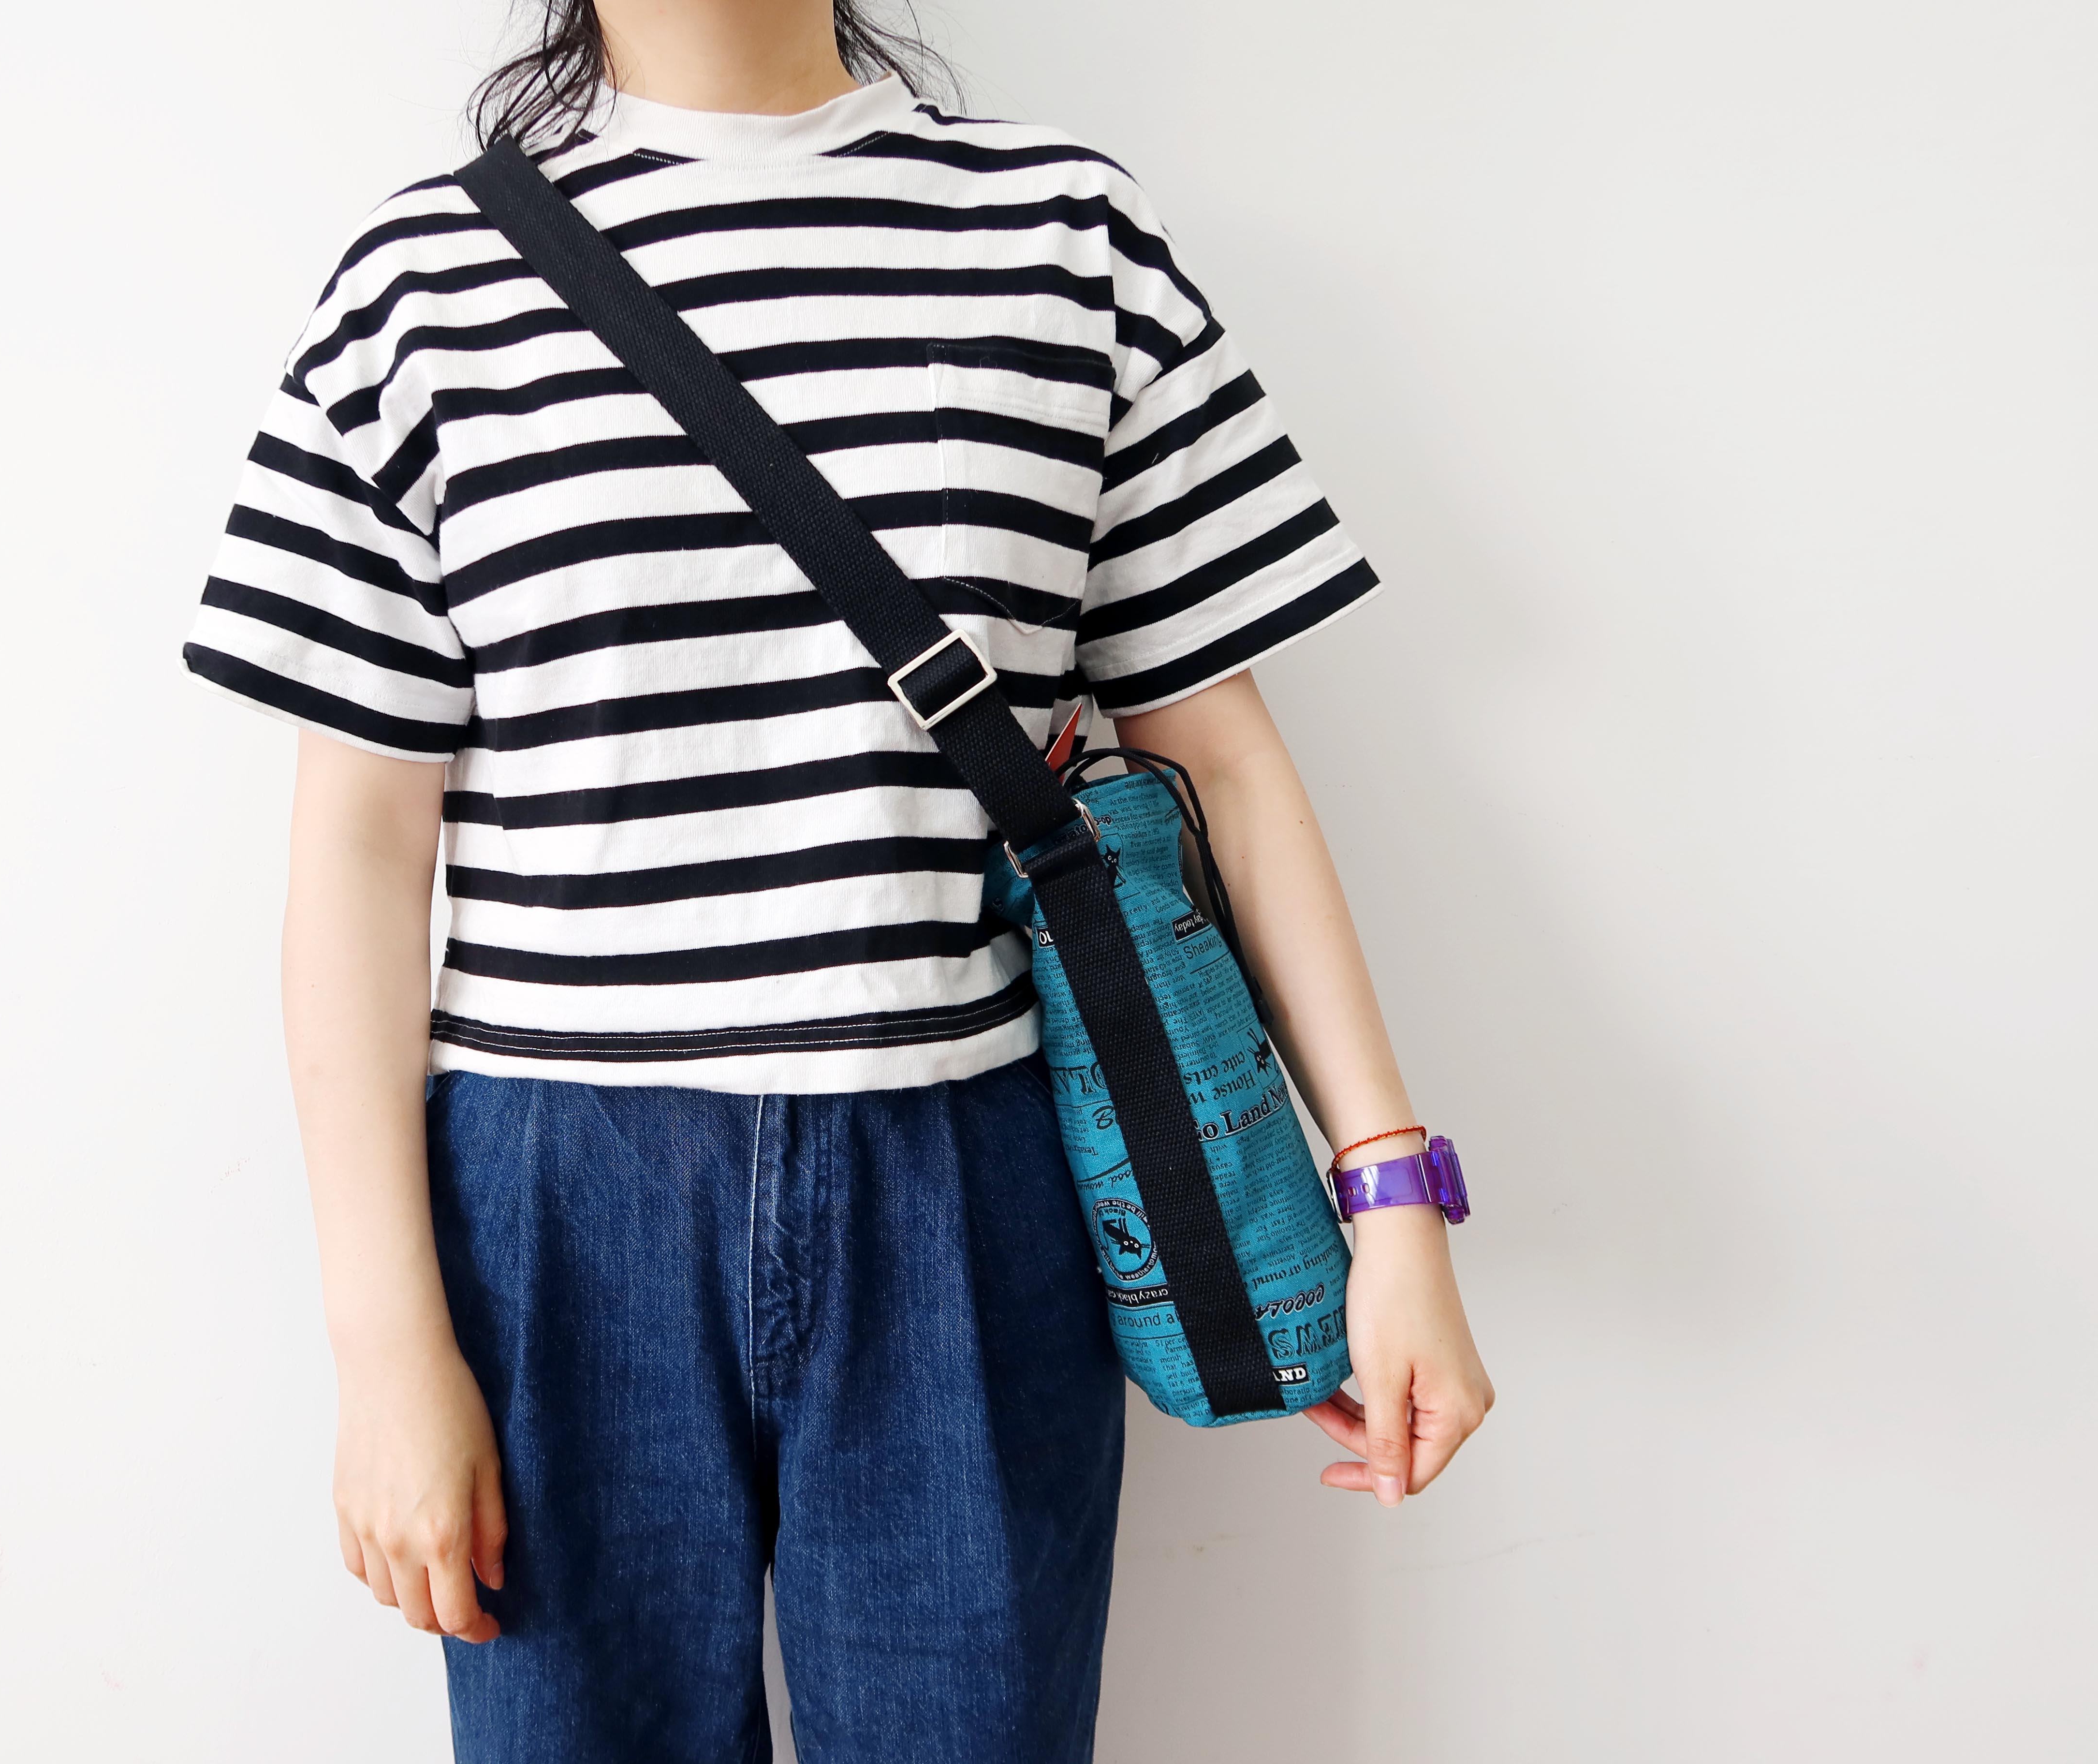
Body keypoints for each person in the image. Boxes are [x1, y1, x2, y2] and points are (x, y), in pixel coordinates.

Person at [181, 2, 1493, 1756]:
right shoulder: (421, 287)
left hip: (965, 1179)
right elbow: (357, 846)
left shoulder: (1065, 239)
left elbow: (1228, 764)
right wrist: (383, 1350)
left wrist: (1394, 1200)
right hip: (556, 1209)